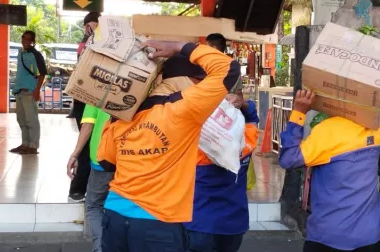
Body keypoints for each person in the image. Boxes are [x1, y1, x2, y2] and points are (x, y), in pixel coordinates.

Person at [97, 41, 240, 252]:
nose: (201, 86)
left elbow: (106, 161)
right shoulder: (186, 108)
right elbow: (229, 69)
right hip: (157, 222)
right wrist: (180, 47)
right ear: (184, 80)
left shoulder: (123, 113)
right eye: (198, 80)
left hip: (114, 216)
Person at [279, 90, 380, 252]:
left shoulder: (327, 132)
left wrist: (299, 113)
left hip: (329, 238)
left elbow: (288, 159)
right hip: (370, 237)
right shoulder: (378, 128)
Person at [185, 93, 259, 252]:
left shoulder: (197, 147)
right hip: (234, 225)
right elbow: (253, 116)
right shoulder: (248, 141)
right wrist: (244, 104)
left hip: (199, 223)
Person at [67, 103, 113, 252]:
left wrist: (75, 154)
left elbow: (88, 124)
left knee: (94, 205)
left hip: (102, 157)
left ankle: (100, 248)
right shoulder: (141, 85)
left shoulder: (98, 85)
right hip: (131, 157)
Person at [68, 11, 100, 203]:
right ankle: (77, 189)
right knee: (86, 145)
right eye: (90, 27)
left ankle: (89, 189)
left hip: (100, 103)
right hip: (85, 102)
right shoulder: (85, 44)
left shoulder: (100, 41)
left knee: (99, 145)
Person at [10, 31, 47, 155]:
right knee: (21, 119)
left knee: (31, 120)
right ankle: (25, 143)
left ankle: (33, 145)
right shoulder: (20, 53)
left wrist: (37, 91)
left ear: (33, 41)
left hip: (30, 91)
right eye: (24, 38)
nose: (26, 41)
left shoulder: (36, 54)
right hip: (19, 91)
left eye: (29, 39)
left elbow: (42, 74)